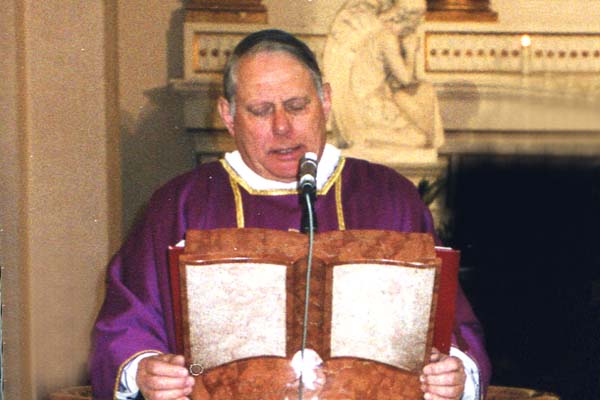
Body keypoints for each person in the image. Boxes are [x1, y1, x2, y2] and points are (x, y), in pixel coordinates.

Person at [89, 29, 490, 400]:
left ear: (325, 101)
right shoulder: (181, 205)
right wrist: (145, 371)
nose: (282, 127)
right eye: (260, 110)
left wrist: (454, 373)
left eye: (297, 106)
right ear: (227, 115)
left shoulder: (390, 197)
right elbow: (126, 324)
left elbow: (451, 326)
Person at [323, 0, 444, 163]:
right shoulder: (387, 38)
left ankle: (362, 135)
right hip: (373, 107)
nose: (421, 22)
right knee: (419, 139)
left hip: (373, 102)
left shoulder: (378, 34)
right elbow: (405, 79)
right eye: (419, 18)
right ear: (407, 17)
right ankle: (362, 136)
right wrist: (411, 51)